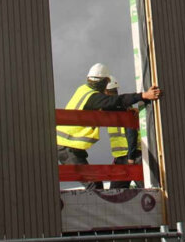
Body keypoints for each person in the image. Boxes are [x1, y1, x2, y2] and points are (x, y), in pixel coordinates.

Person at [57, 63, 161, 191]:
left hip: (68, 147)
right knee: (94, 185)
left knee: (98, 183)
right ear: (104, 82)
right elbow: (114, 101)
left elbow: (109, 105)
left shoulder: (83, 90)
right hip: (67, 147)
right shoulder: (92, 97)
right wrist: (142, 96)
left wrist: (125, 110)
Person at [104, 76, 145, 189]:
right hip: (123, 158)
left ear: (105, 91)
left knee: (147, 190)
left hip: (132, 156)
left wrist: (130, 158)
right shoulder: (116, 107)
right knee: (116, 193)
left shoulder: (121, 108)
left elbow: (131, 132)